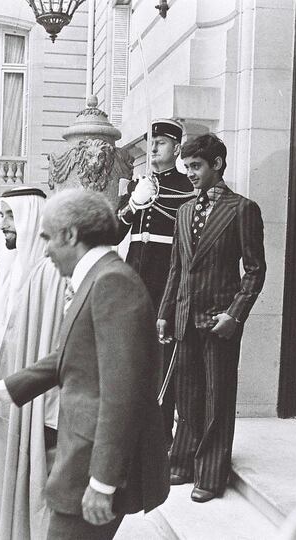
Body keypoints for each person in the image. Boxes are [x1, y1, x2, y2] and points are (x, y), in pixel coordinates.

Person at [0, 189, 170, 540]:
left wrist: (103, 482)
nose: (43, 248)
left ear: (71, 235)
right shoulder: (96, 277)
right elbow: (67, 356)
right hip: (82, 458)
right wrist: (1, 390)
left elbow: (121, 395)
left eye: (48, 237)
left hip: (96, 466)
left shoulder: (112, 283)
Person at [157, 133, 266, 503]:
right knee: (186, 397)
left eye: (196, 166)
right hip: (185, 317)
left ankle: (211, 474)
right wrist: (165, 313)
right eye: (186, 166)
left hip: (219, 322)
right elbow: (176, 268)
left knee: (217, 399)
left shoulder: (242, 209)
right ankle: (183, 462)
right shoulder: (184, 210)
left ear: (217, 165)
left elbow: (254, 270)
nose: (189, 173)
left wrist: (235, 315)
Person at [0, 187, 67, 540]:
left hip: (32, 407)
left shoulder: (51, 275)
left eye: (11, 216)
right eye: (0, 216)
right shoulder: (7, 274)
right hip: (0, 406)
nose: (3, 224)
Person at [116, 118, 195, 447]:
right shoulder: (140, 185)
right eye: (151, 141)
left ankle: (161, 436)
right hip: (134, 283)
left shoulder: (187, 189)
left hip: (165, 285)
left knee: (162, 365)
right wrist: (133, 204)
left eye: (161, 142)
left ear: (176, 148)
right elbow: (115, 232)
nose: (152, 147)